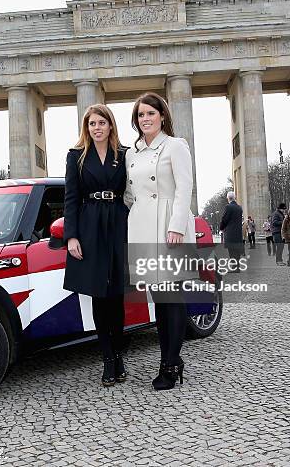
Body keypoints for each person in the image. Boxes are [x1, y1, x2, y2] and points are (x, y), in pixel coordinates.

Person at [125, 92, 195, 391]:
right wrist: (136, 214)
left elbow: (185, 187)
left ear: (162, 116)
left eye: (150, 114)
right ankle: (171, 359)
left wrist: (176, 225)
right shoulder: (131, 153)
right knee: (157, 298)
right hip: (142, 226)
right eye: (140, 115)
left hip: (169, 225)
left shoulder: (175, 145)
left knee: (171, 297)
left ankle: (170, 363)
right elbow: (130, 194)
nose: (145, 119)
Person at [64, 104, 129, 387]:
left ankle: (120, 356)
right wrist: (71, 236)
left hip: (118, 222)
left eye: (102, 123)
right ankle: (107, 359)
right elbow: (70, 198)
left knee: (117, 295)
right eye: (92, 124)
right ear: (86, 127)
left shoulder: (125, 154)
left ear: (111, 126)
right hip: (89, 226)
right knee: (99, 297)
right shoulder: (76, 156)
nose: (97, 128)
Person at [220, 191, 243, 264]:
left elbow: (224, 219)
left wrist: (221, 227)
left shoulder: (228, 207)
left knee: (232, 251)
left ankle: (234, 266)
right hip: (238, 232)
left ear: (228, 198)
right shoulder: (239, 207)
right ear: (235, 198)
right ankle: (237, 266)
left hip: (230, 233)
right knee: (237, 250)